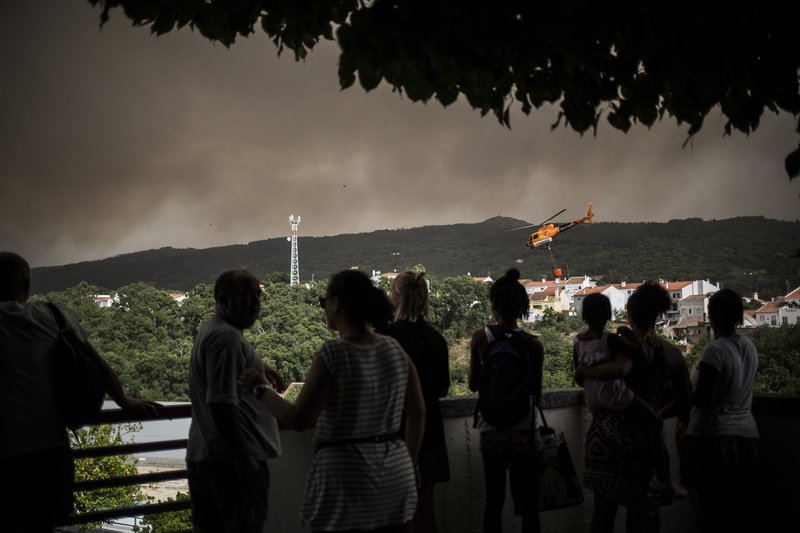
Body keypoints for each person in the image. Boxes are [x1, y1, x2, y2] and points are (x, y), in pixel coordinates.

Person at [239, 269, 425, 532]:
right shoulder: (394, 349)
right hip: (395, 473)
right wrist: (412, 460)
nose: (324, 308)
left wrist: (260, 388)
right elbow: (417, 412)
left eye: (324, 301)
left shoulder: (333, 353)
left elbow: (298, 419)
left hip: (345, 479)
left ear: (337, 303)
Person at [0, 251, 160, 532]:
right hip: (49, 454)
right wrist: (123, 400)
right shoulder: (51, 315)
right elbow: (99, 365)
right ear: (26, 286)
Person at [577, 281, 691, 533]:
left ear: (630, 312)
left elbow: (593, 376)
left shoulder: (616, 346)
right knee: (644, 518)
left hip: (605, 439)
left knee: (603, 517)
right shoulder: (672, 354)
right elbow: (685, 404)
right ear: (658, 314)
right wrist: (657, 414)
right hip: (644, 443)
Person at [186, 269, 284, 533]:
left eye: (257, 295)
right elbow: (220, 403)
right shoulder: (226, 338)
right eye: (245, 295)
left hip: (208, 455)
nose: (255, 302)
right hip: (232, 462)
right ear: (224, 299)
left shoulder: (214, 330)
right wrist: (244, 458)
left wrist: (259, 365)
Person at [573, 293, 673, 493]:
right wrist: (630, 338)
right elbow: (638, 357)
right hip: (615, 395)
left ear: (584, 316)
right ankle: (663, 477)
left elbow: (579, 376)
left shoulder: (577, 342)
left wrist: (588, 371)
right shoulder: (610, 339)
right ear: (608, 315)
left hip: (593, 401)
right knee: (654, 421)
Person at [468, 268, 544, 533]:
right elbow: (537, 392)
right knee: (528, 504)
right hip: (525, 428)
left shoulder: (481, 337)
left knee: (494, 501)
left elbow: (473, 384)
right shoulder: (533, 344)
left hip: (492, 429)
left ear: (495, 305)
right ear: (522, 306)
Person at [682, 288, 759, 533]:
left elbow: (703, 398)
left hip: (712, 439)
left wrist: (676, 398)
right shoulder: (749, 347)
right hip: (746, 437)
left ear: (711, 317)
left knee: (709, 511)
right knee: (740, 510)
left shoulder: (715, 350)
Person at [382, 270, 450, 533]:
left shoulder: (388, 337)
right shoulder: (437, 339)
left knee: (393, 516)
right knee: (425, 512)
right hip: (431, 433)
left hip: (394, 434)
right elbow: (442, 389)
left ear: (397, 298)